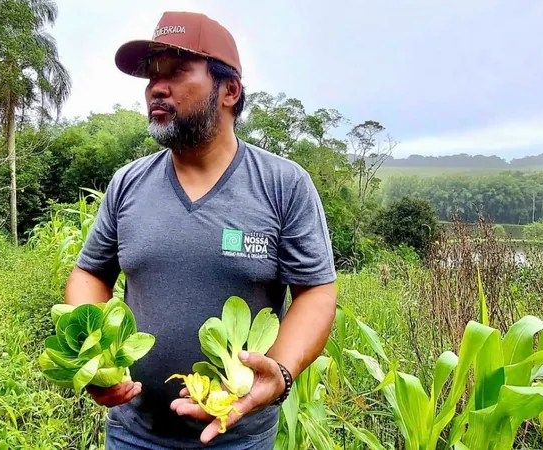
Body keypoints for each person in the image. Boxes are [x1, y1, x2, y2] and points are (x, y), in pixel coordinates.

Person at [64, 10, 338, 450]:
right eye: (152, 75)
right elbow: (90, 274)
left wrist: (281, 372)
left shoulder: (283, 185)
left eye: (175, 71)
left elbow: (316, 293)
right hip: (133, 435)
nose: (157, 86)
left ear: (229, 90)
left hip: (238, 439)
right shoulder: (128, 184)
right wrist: (95, 359)